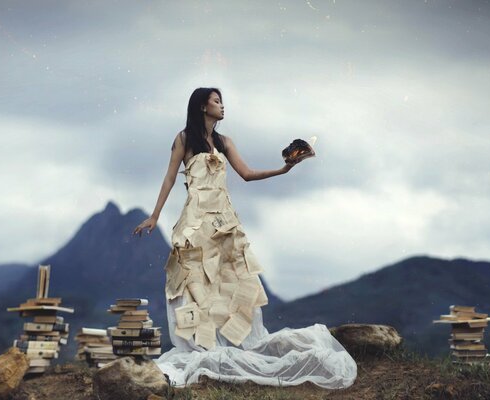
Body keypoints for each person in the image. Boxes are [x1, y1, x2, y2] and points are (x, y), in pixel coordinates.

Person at [133, 87, 357, 388]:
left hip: (224, 224)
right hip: (196, 223)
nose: (222, 106)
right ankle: (200, 345)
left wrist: (284, 168)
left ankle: (233, 344)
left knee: (235, 282)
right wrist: (155, 215)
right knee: (195, 284)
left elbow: (247, 174)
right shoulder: (184, 139)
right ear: (202, 106)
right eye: (216, 101)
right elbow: (171, 177)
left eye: (221, 101)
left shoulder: (224, 142)